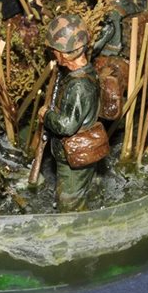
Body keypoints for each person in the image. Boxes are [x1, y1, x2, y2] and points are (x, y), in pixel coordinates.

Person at [40, 15, 104, 212]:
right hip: (80, 150)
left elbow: (67, 126)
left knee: (69, 202)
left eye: (54, 50)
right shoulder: (86, 73)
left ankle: (72, 226)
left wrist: (46, 115)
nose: (53, 54)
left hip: (74, 154)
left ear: (64, 53)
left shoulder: (78, 86)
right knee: (80, 190)